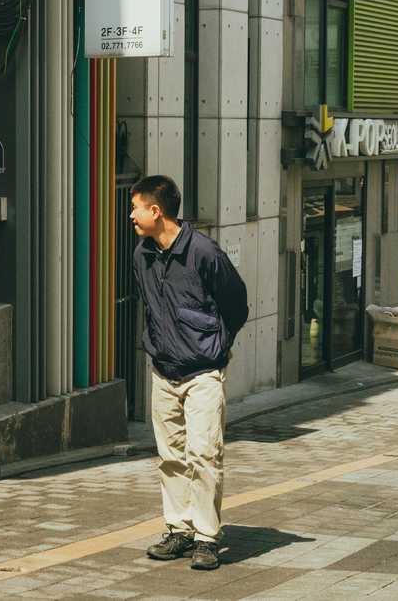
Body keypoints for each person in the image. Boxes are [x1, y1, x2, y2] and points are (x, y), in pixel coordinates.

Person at [129, 175, 249, 571]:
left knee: (203, 454)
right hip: (164, 371)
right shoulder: (141, 255)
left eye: (136, 207)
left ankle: (206, 538)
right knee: (170, 457)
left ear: (156, 211)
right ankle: (179, 530)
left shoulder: (203, 252)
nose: (131, 215)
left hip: (203, 373)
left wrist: (217, 346)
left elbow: (236, 304)